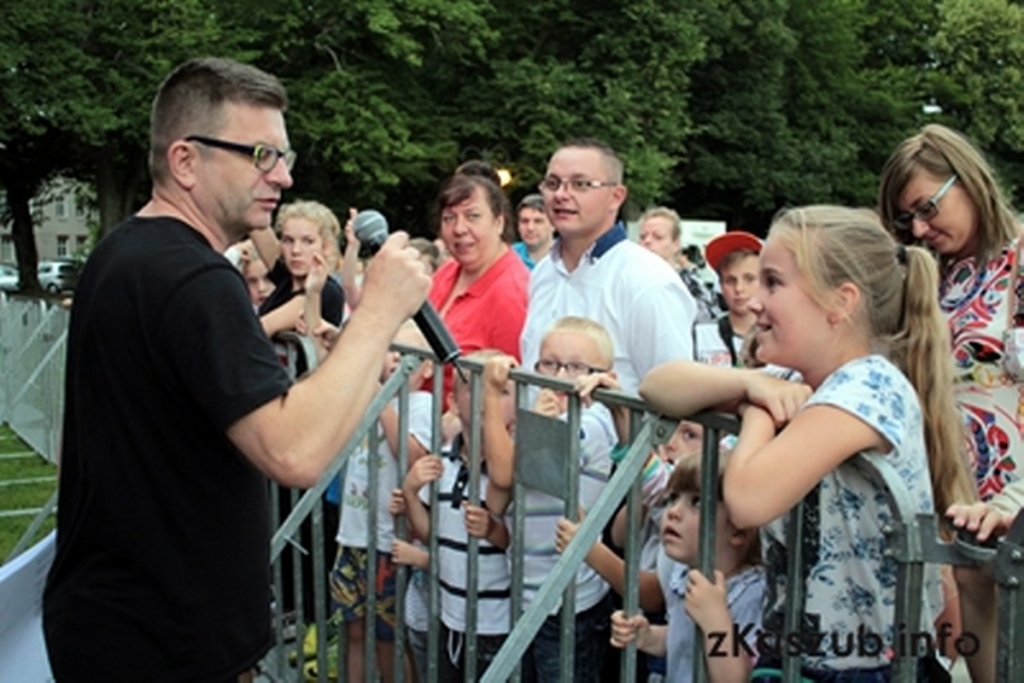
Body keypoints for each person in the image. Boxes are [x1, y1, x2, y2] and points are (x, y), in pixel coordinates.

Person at [42, 57, 431, 682]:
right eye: (259, 155)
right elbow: (294, 451)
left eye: (283, 155)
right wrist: (379, 312)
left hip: (118, 618)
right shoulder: (196, 279)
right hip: (166, 641)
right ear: (185, 161)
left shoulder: (123, 251)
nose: (282, 175)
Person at [640, 205, 975, 679]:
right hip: (801, 657)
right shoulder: (795, 380)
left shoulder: (870, 386)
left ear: (841, 302)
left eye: (773, 283)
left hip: (865, 669)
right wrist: (751, 383)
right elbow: (657, 385)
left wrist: (756, 411)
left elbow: (748, 500)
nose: (756, 301)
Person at [879, 123, 1024, 681]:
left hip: (1014, 505)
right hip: (954, 516)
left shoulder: (1018, 261)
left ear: (967, 179)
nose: (920, 228)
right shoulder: (922, 274)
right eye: (906, 220)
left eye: (927, 208)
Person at [484, 316, 618, 683]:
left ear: (602, 375)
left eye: (575, 367)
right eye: (549, 364)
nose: (559, 376)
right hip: (530, 592)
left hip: (569, 603)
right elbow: (498, 498)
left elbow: (503, 473)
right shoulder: (544, 417)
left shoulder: (593, 422)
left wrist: (492, 397)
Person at [520, 139, 696, 393]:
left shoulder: (648, 281)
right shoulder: (543, 273)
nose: (561, 195)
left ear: (616, 197)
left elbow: (676, 394)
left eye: (580, 184)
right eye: (553, 183)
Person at [325, 321, 434, 683]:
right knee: (354, 630)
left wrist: (383, 401)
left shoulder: (422, 405)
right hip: (353, 535)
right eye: (391, 351)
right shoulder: (366, 398)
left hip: (390, 543)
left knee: (388, 636)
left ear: (427, 368)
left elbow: (412, 457)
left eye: (409, 355)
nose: (397, 361)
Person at [399, 349, 514, 680]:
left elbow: (518, 543)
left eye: (501, 391)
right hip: (447, 614)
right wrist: (410, 492)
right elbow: (431, 535)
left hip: (494, 622)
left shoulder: (512, 467)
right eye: (475, 387)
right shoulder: (442, 463)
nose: (487, 398)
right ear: (452, 401)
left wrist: (491, 529)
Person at [609, 453, 765, 683]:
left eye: (697, 502)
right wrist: (648, 637)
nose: (673, 511)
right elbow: (684, 640)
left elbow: (735, 678)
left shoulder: (752, 593)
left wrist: (715, 618)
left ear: (739, 531)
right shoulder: (683, 573)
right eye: (673, 498)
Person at [429, 166, 530, 400]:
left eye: (472, 216)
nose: (459, 229)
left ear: (499, 222)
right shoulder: (447, 271)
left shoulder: (511, 293)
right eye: (449, 218)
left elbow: (513, 391)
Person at [251, 199, 346, 336]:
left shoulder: (325, 291)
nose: (296, 250)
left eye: (308, 241)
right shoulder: (286, 279)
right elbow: (254, 221)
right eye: (288, 240)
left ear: (326, 247)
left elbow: (261, 328)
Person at [693, 231, 762, 367]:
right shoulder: (701, 334)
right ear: (720, 285)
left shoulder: (782, 335)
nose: (739, 288)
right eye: (730, 281)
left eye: (749, 279)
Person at [512, 193, 556, 269]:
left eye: (538, 221)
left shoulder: (569, 258)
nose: (530, 228)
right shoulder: (507, 256)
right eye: (525, 221)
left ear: (554, 225)